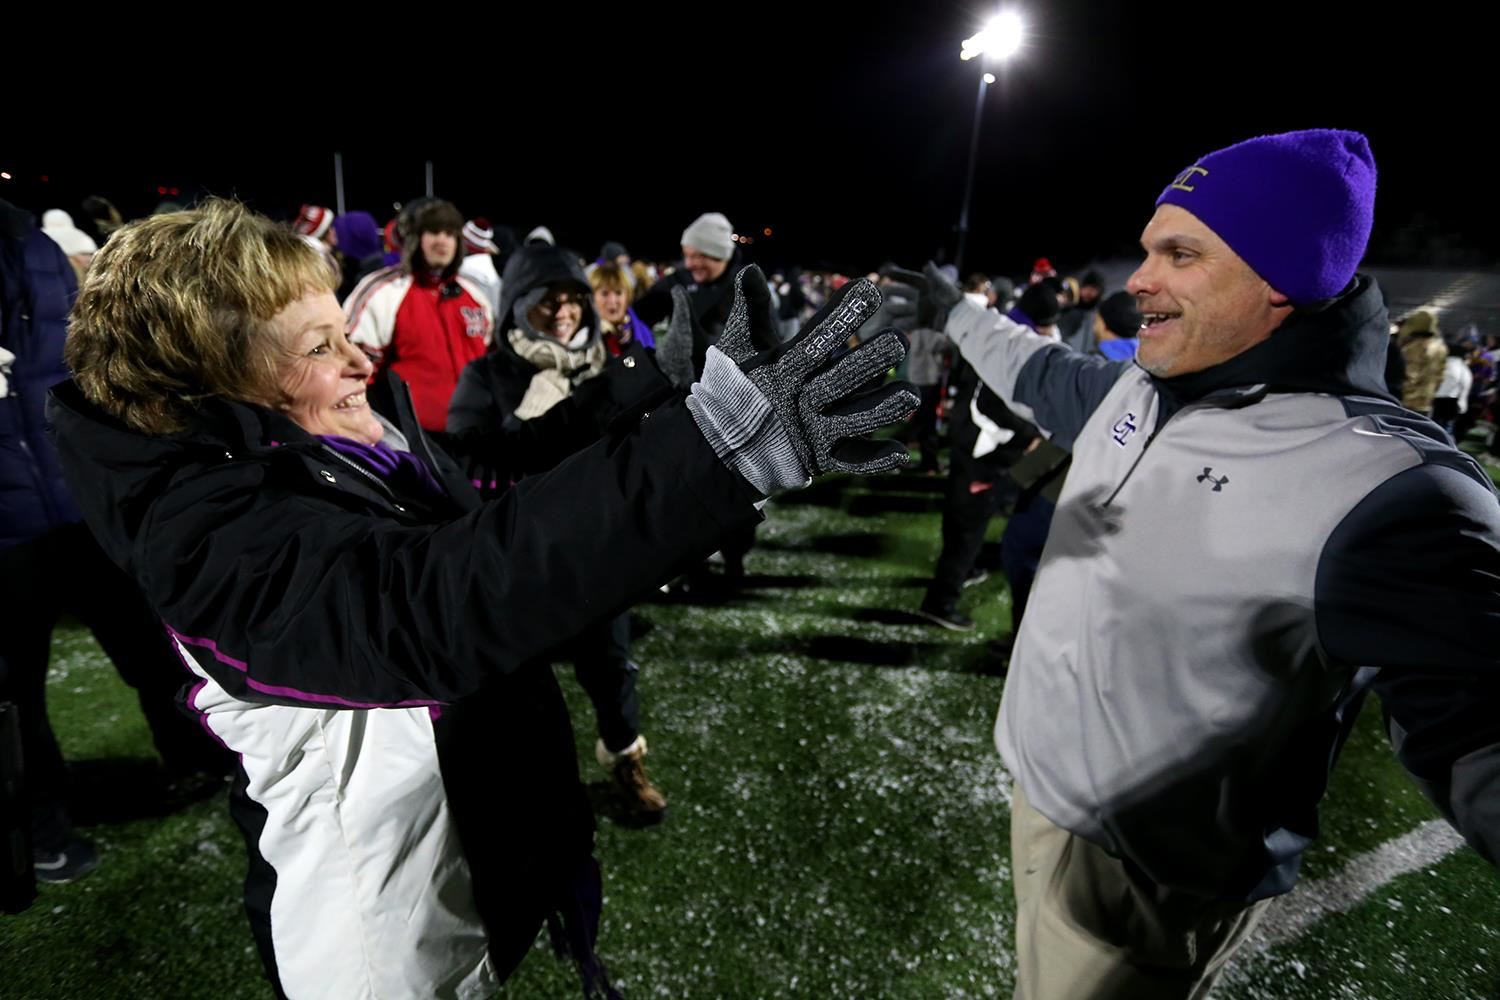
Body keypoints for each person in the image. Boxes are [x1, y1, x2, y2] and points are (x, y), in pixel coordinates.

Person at [49, 198, 916, 998]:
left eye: (341, 330)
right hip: (382, 934)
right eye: (317, 346)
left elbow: (502, 490)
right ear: (209, 388)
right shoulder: (199, 533)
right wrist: (711, 453)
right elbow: (428, 602)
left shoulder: (335, 440)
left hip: (464, 847)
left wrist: (660, 387)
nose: (359, 359)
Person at [919, 129, 1500, 999]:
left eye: (1179, 253)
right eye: (1149, 249)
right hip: (1040, 792)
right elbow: (1034, 368)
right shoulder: (1141, 386)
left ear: (1283, 280)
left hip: (1145, 877)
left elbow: (1477, 732)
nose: (1139, 279)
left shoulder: (1393, 489)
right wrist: (954, 312)